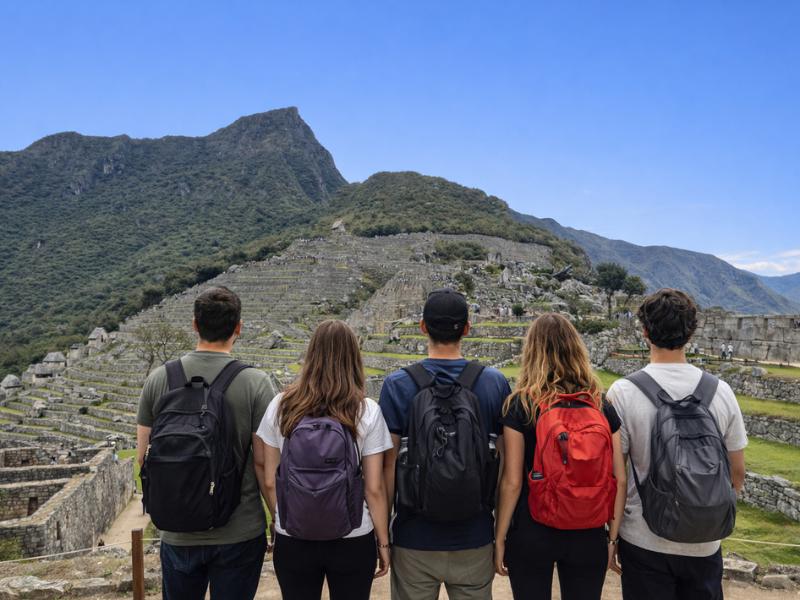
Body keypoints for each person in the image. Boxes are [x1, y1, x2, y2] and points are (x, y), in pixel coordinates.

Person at [607, 289, 747, 600]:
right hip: (705, 542)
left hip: (644, 539)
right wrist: (706, 510)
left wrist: (612, 538)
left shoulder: (623, 392)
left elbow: (618, 478)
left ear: (644, 331)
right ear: (692, 330)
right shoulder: (721, 392)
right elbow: (737, 472)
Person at [136, 286, 273, 600]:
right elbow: (265, 464)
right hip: (238, 531)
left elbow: (143, 458)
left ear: (195, 324)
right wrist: (277, 517)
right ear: (238, 327)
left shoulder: (159, 379)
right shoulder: (256, 383)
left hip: (177, 531)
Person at [381, 288, 511, 600]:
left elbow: (387, 468)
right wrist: (500, 535)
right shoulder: (493, 383)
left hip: (413, 539)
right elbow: (506, 469)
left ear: (422, 326)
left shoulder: (397, 384)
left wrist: (384, 537)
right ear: (467, 328)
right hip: (474, 537)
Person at [494, 313, 627, 600]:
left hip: (532, 528)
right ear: (577, 349)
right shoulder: (600, 405)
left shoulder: (521, 405)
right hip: (589, 528)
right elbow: (619, 477)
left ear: (532, 352)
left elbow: (512, 481)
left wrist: (500, 535)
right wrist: (612, 537)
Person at [257, 320, 392, 600]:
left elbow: (271, 480)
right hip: (353, 535)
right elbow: (374, 488)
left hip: (293, 534)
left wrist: (284, 516)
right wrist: (383, 542)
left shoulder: (281, 406)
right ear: (353, 358)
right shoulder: (366, 410)